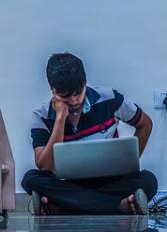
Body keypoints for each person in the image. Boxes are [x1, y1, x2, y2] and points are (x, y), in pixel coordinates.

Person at [21, 52, 158, 215]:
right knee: (31, 179)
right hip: (69, 183)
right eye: (65, 97)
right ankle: (120, 205)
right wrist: (60, 119)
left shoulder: (109, 98)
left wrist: (130, 162)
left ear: (85, 82)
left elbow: (145, 124)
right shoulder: (41, 116)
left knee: (149, 180)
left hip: (110, 181)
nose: (73, 101)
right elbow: (44, 166)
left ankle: (62, 206)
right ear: (53, 90)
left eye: (78, 93)